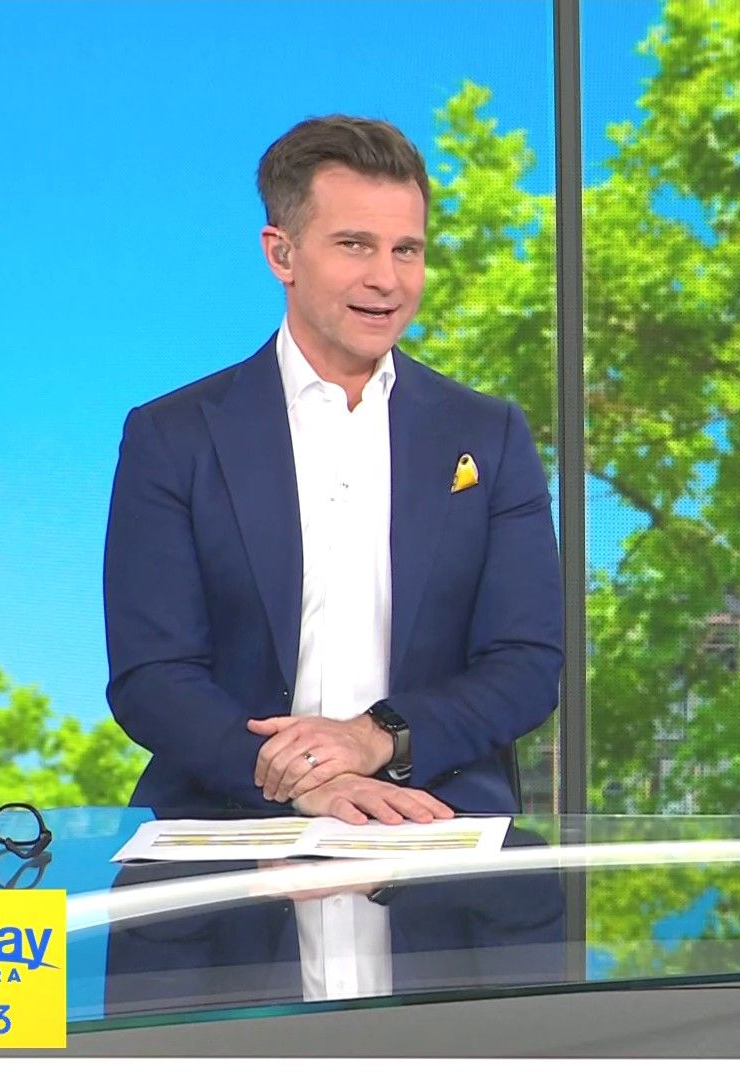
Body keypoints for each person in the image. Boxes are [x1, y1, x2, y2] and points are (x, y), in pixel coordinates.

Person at [103, 115, 563, 824]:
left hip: (436, 814)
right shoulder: (172, 436)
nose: (386, 279)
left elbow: (527, 663)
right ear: (281, 254)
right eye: (354, 245)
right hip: (230, 820)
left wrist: (374, 737)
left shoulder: (488, 435)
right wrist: (300, 779)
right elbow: (152, 677)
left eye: (406, 250)